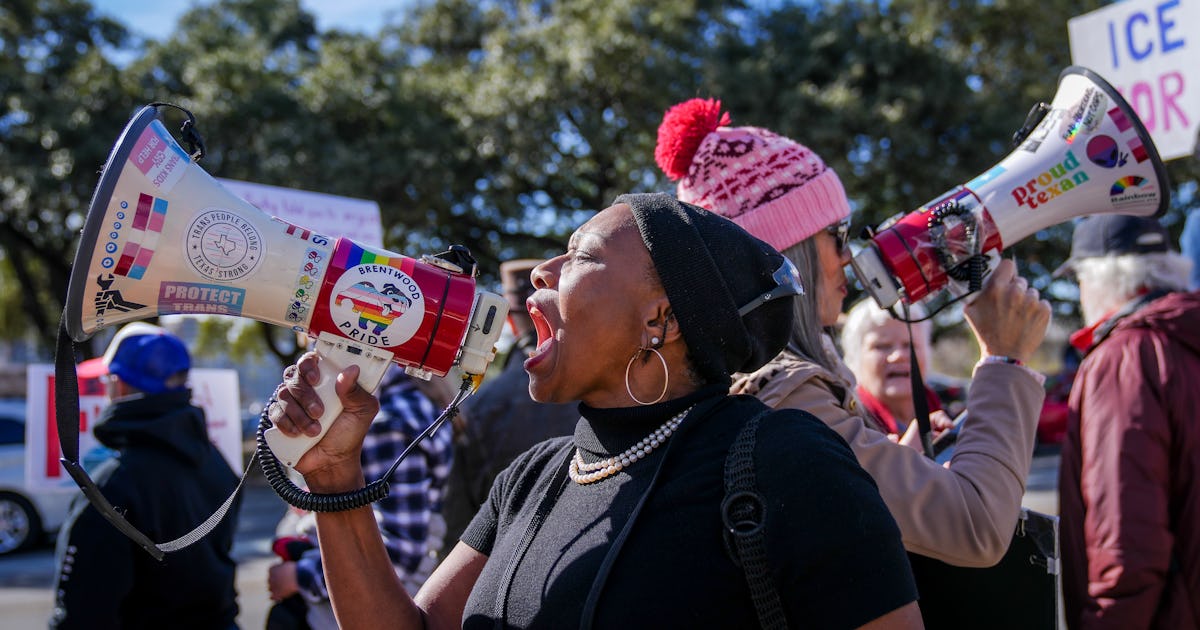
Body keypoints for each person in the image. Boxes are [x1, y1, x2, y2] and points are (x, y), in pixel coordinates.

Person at [269, 193, 923, 628]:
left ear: (659, 318)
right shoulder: (533, 479)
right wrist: (335, 478)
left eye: (579, 255)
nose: (540, 274)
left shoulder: (789, 463)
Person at [655, 97, 1051, 567]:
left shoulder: (749, 383)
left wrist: (890, 460)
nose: (848, 256)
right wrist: (1004, 360)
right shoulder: (791, 399)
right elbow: (976, 526)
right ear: (788, 253)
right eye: (836, 234)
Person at [1052, 214, 1200, 629]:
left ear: (1102, 277)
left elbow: (1127, 543)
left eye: (1079, 278)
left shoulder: (1124, 358)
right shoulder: (1184, 338)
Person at [51, 322, 240, 629]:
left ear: (121, 385)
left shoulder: (112, 486)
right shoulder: (217, 463)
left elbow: (82, 615)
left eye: (107, 379)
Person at [267, 364, 452, 629]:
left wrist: (299, 577)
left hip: (356, 609)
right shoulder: (414, 400)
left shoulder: (387, 421)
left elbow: (400, 553)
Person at [438, 258, 579, 558]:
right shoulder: (606, 387)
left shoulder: (476, 405)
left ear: (509, 320)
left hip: (499, 571)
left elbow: (457, 525)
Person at [840, 298, 946, 442]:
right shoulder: (846, 429)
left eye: (909, 345)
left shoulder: (955, 412)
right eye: (882, 346)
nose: (898, 356)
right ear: (855, 357)